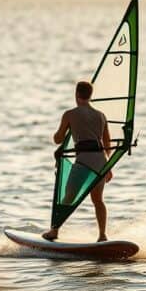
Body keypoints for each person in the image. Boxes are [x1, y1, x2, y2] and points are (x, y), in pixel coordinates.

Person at [42, 80, 113, 242]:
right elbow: (107, 144)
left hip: (84, 161)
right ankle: (102, 235)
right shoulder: (101, 116)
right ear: (90, 96)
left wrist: (58, 134)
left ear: (76, 94)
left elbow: (58, 139)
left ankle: (54, 231)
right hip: (101, 162)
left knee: (67, 198)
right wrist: (107, 167)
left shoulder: (70, 114)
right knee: (98, 200)